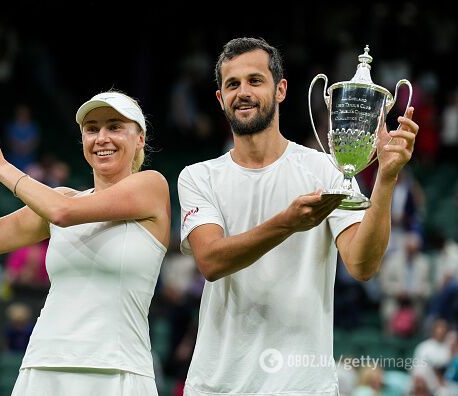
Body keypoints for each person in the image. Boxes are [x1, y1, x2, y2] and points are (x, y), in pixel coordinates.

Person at [177, 37, 419, 395]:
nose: (243, 91)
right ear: (220, 99)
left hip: (303, 386)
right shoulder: (198, 176)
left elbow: (362, 265)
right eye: (233, 84)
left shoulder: (327, 168)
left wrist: (385, 178)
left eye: (255, 81)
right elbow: (211, 260)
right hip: (217, 385)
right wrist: (288, 222)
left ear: (280, 90)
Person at [0, 90, 170, 395]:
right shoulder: (60, 198)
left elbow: (63, 213)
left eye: (115, 127)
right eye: (92, 129)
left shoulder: (151, 186)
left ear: (140, 138)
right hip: (43, 366)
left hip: (118, 370)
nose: (102, 138)